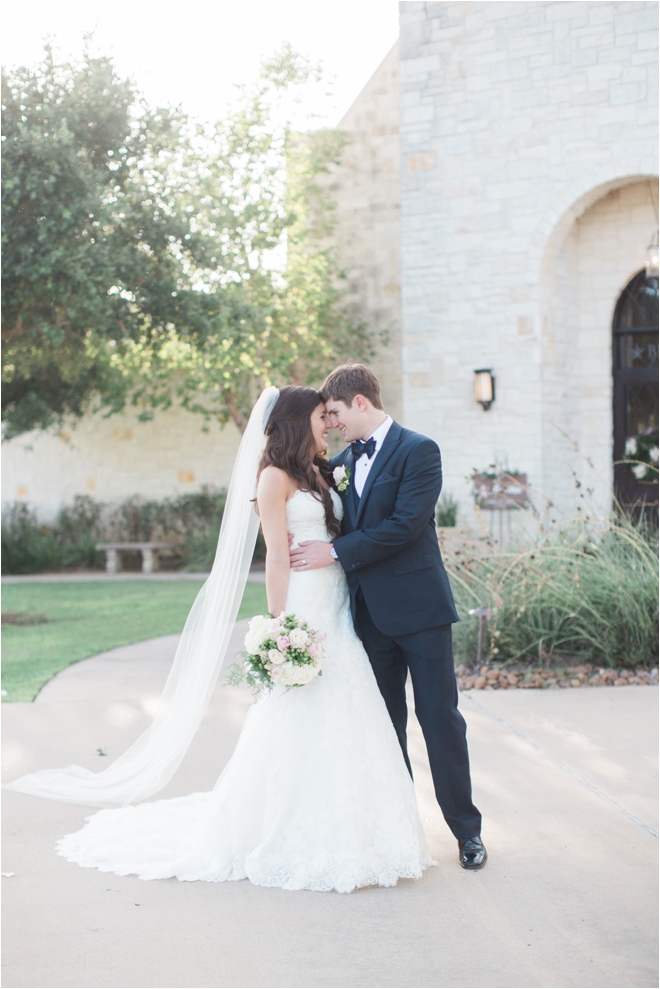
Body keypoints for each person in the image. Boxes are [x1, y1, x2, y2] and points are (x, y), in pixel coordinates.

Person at [25, 386, 434, 893]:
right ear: (294, 421)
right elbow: (277, 557)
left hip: (339, 602)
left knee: (350, 706)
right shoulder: (272, 477)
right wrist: (281, 624)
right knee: (299, 708)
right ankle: (286, 829)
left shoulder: (320, 470)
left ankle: (363, 828)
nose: (327, 424)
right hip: (305, 603)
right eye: (318, 416)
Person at [289, 365, 486, 870]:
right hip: (367, 617)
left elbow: (404, 526)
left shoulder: (420, 451)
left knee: (439, 720)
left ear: (359, 403)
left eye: (333, 413)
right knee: (384, 726)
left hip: (420, 611)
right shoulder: (342, 461)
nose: (330, 424)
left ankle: (467, 832)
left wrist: (333, 554)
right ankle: (401, 830)